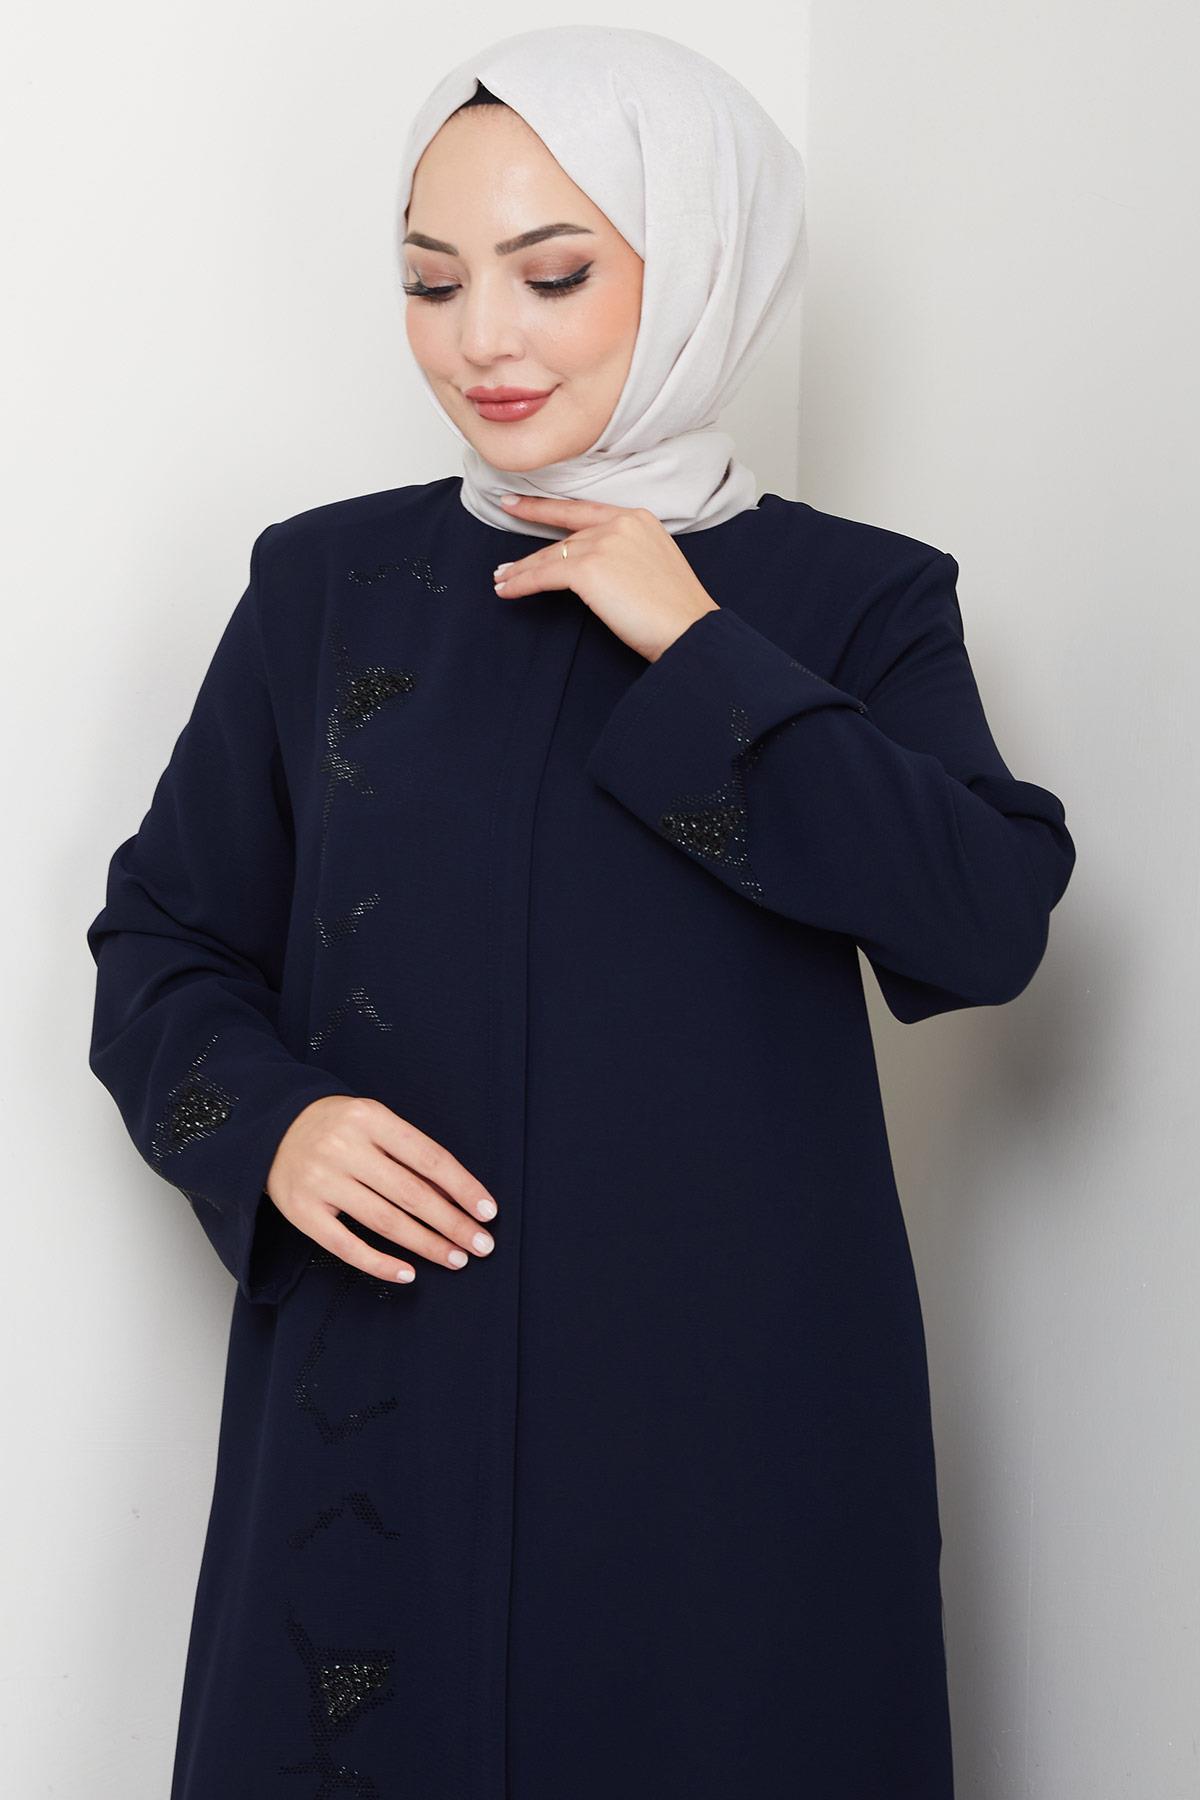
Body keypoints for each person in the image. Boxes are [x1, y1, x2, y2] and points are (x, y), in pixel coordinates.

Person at [85, 25, 1076, 1800]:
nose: (482, 339)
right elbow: (163, 937)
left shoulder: (848, 597)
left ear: (695, 266)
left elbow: (979, 926)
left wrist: (693, 642)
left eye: (550, 275)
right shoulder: (325, 584)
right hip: (385, 1403)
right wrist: (272, 1124)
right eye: (431, 281)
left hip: (729, 1431)